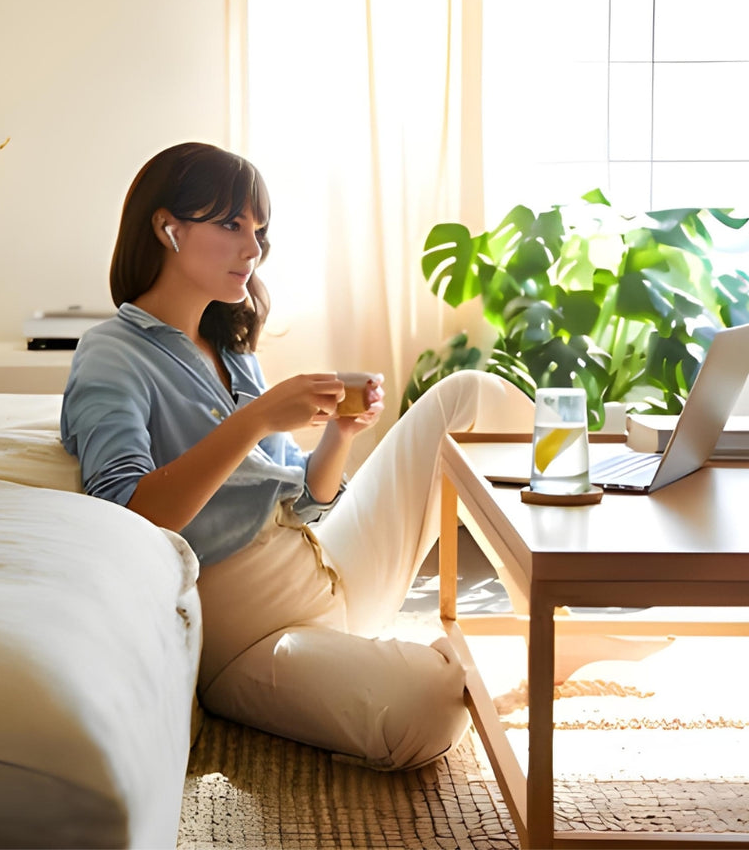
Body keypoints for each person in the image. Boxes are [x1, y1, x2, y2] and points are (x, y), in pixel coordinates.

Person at [61, 141, 535, 770]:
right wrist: (258, 417)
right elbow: (128, 515)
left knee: (471, 395)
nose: (252, 248)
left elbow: (307, 502)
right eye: (231, 224)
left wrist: (340, 436)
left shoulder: (231, 353)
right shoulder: (112, 353)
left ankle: (549, 608)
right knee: (430, 703)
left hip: (325, 565)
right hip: (253, 638)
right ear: (167, 227)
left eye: (258, 230)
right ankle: (455, 666)